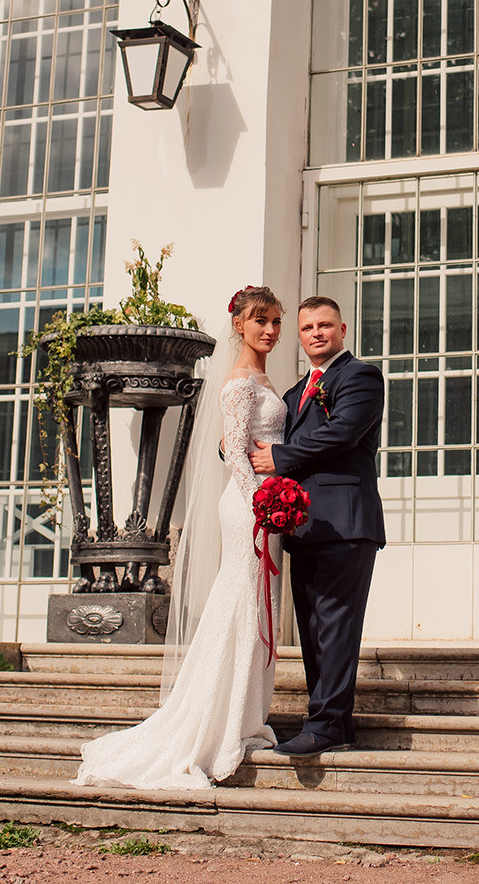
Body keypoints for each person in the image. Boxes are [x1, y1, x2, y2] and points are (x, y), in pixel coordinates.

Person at [71, 287, 288, 789]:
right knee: (242, 606)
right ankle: (221, 723)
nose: (271, 330)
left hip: (266, 502)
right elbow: (236, 455)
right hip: (250, 506)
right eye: (261, 320)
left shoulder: (263, 378)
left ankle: (245, 715)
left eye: (276, 321)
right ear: (239, 325)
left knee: (257, 607)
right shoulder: (238, 383)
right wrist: (262, 502)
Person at [250, 296, 385, 756]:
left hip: (346, 521)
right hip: (303, 526)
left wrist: (280, 457)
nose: (316, 333)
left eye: (325, 325)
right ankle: (334, 726)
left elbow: (343, 431)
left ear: (342, 330)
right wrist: (236, 448)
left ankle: (325, 723)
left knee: (336, 625)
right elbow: (273, 438)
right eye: (307, 328)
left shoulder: (361, 377)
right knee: (312, 628)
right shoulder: (295, 393)